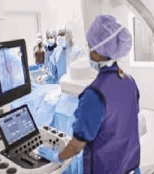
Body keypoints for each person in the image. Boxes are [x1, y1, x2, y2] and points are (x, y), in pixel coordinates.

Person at [38, 15, 141, 174]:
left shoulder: (94, 95)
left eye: (91, 46)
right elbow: (125, 120)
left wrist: (58, 156)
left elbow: (77, 146)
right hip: (131, 167)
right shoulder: (130, 81)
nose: (88, 50)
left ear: (99, 52)